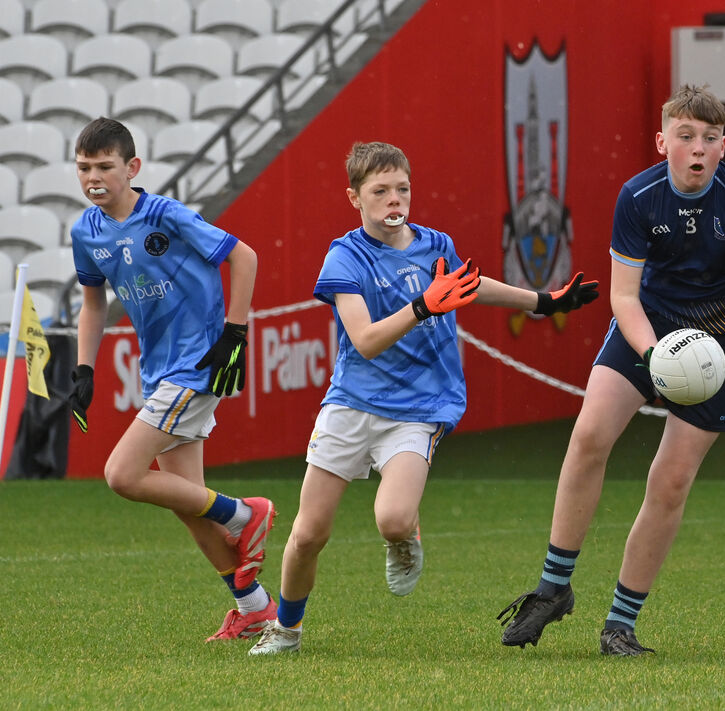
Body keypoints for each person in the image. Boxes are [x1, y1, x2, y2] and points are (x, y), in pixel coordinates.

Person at [496, 84, 725, 656]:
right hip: (649, 328)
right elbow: (623, 296)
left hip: (723, 343)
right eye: (686, 137)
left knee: (670, 480)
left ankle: (620, 624)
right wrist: (654, 356)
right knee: (589, 434)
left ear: (723, 147)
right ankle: (553, 588)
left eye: (710, 139)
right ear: (662, 141)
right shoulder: (638, 196)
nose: (698, 149)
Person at [248, 141, 599, 655]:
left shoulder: (436, 245)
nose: (395, 200)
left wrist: (543, 301)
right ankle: (287, 630)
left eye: (403, 189)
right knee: (308, 535)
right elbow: (365, 342)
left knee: (391, 519)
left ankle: (404, 537)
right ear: (354, 198)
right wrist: (423, 305)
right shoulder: (345, 256)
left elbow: (472, 287)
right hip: (351, 403)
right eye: (381, 191)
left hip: (419, 407)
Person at [69, 117, 276, 643]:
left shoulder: (165, 214)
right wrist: (85, 368)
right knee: (186, 501)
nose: (93, 177)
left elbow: (243, 255)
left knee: (122, 474)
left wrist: (235, 330)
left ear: (132, 168)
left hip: (196, 364)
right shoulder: (86, 232)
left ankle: (245, 514)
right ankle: (253, 607)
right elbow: (93, 302)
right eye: (83, 167)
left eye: (105, 167)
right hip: (160, 369)